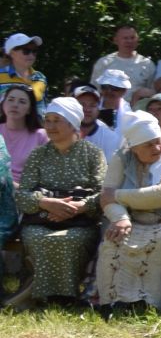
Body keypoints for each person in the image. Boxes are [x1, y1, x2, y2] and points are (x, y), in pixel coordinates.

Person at [9, 97, 107, 307]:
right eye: (48, 120)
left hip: (79, 220)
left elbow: (102, 194)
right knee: (37, 236)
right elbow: (22, 194)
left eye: (57, 120)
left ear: (72, 124)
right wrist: (45, 203)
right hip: (41, 218)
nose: (50, 126)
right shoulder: (38, 155)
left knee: (70, 239)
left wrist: (78, 207)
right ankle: (40, 295)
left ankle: (66, 296)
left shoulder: (93, 154)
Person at [92, 112, 161, 313]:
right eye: (148, 145)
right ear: (134, 148)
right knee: (113, 240)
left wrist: (119, 196)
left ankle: (151, 303)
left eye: (158, 142)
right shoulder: (121, 157)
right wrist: (120, 218)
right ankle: (112, 302)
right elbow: (106, 197)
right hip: (131, 218)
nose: (156, 148)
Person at [91, 26, 156, 100]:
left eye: (132, 38)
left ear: (137, 40)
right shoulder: (104, 63)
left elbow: (152, 92)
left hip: (137, 108)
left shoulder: (147, 64)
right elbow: (94, 90)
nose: (129, 41)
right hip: (109, 108)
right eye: (125, 38)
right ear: (116, 40)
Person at [3, 85, 47, 184]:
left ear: (29, 109)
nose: (15, 105)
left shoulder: (40, 136)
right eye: (11, 100)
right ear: (3, 104)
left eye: (22, 102)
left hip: (25, 192)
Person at [72, 84, 122, 160]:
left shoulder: (110, 138)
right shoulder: (59, 129)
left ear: (98, 109)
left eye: (92, 105)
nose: (87, 109)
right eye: (82, 105)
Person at [1, 33, 49, 101]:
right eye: (26, 51)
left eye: (34, 51)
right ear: (12, 53)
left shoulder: (41, 78)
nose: (31, 55)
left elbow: (43, 107)